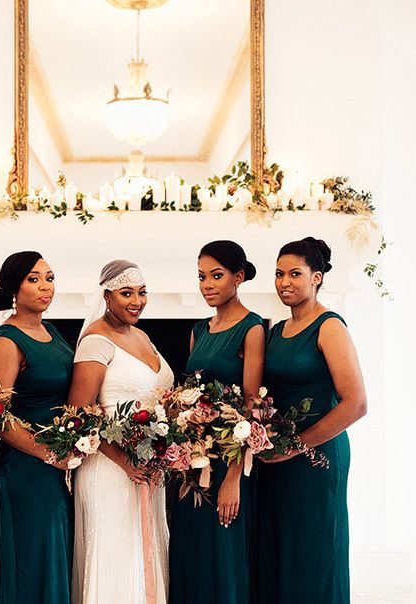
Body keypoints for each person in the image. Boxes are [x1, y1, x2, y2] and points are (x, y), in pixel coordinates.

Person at [256, 237, 367, 604]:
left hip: (318, 458)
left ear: (316, 277)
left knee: (315, 550)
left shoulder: (330, 327)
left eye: (295, 274)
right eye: (278, 274)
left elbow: (356, 403)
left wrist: (297, 447)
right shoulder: (274, 332)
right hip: (279, 457)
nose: (284, 282)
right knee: (282, 547)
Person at [67, 260, 174, 604]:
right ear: (107, 296)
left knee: (146, 549)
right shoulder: (95, 340)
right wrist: (124, 460)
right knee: (116, 553)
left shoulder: (141, 335)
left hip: (146, 465)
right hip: (110, 468)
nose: (137, 301)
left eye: (142, 293)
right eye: (126, 293)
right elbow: (80, 414)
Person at [169, 240, 265, 604]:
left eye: (216, 275)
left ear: (238, 277)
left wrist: (233, 479)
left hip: (229, 461)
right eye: (201, 277)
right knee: (191, 552)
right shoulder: (199, 329)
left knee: (225, 555)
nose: (207, 284)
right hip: (192, 462)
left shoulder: (253, 328)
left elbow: (251, 407)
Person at [0, 251, 74, 604]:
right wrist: (46, 451)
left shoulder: (49, 330)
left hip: (56, 463)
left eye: (49, 278)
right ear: (14, 288)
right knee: (31, 555)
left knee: (54, 551)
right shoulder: (7, 340)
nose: (44, 287)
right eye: (34, 279)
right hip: (24, 464)